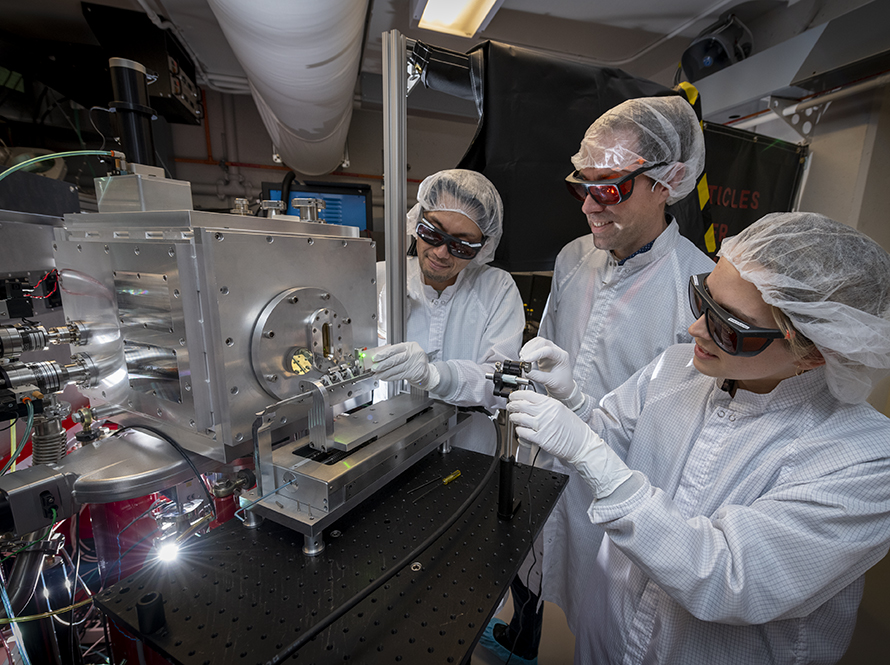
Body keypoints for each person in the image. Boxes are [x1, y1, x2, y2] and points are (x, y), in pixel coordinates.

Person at [507, 212, 890, 664]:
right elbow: (610, 436)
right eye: (703, 297)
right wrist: (574, 402)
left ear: (814, 354)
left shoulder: (863, 458)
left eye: (730, 328)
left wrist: (591, 455)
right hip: (606, 635)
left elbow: (729, 577)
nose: (696, 330)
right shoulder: (677, 368)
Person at [481, 96, 715, 663]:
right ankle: (523, 634)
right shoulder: (572, 259)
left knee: (597, 617)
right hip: (546, 461)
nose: (589, 207)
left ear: (667, 181)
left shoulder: (696, 285)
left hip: (623, 485)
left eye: (608, 188)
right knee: (534, 571)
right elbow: (554, 351)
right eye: (581, 185)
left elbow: (680, 429)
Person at [371, 169, 524, 454]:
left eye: (461, 246)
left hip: (469, 448)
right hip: (384, 445)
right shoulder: (380, 278)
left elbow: (499, 383)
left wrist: (435, 377)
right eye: (432, 233)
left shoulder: (497, 290)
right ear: (415, 222)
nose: (441, 253)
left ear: (483, 247)